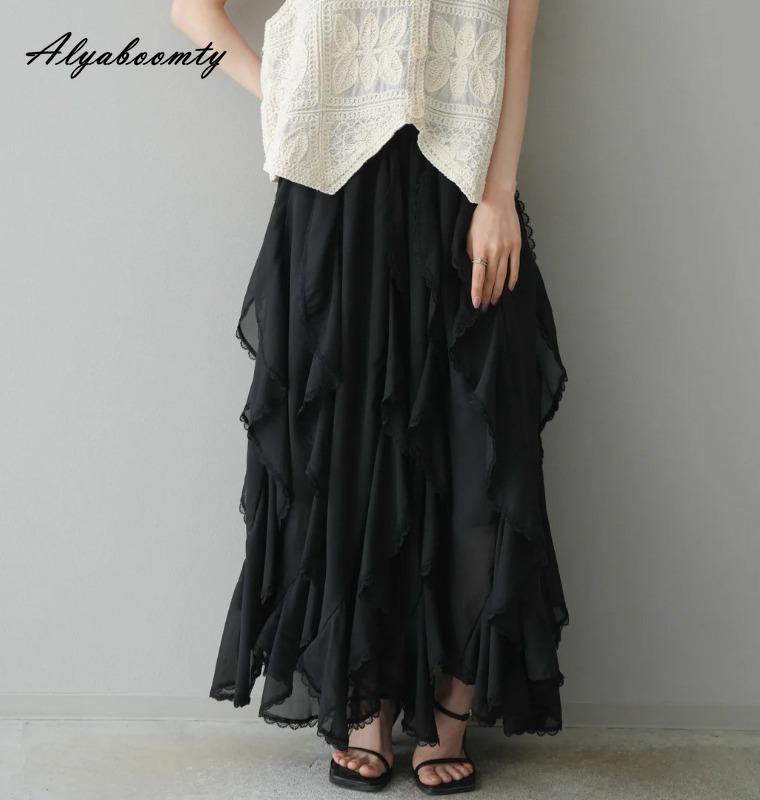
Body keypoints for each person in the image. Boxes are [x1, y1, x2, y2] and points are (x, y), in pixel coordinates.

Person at [172, 0, 569, 792]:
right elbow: (191, 11)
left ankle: (451, 712)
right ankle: (362, 705)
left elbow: (517, 46)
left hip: (462, 197)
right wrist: (288, 90)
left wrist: (499, 194)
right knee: (347, 461)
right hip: (335, 201)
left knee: (480, 461)